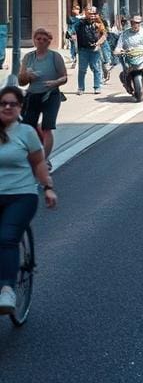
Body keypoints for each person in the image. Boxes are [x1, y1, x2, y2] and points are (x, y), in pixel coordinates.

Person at [0, 86, 56, 314]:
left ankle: (7, 290)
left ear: (20, 107)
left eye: (12, 103)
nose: (7, 107)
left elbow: (38, 164)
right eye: (3, 103)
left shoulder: (26, 133)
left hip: (21, 196)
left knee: (6, 237)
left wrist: (48, 187)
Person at [18, 28, 68, 165]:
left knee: (47, 127)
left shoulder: (55, 56)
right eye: (38, 39)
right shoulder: (28, 57)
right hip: (32, 95)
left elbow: (64, 77)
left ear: (49, 41)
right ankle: (32, 151)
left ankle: (43, 159)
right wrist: (27, 76)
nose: (40, 42)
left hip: (51, 95)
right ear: (34, 40)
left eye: (44, 39)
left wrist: (55, 82)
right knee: (27, 126)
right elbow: (21, 81)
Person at [74, 4, 106, 95]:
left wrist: (98, 43)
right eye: (90, 13)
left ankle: (97, 87)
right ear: (86, 13)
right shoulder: (80, 23)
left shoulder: (99, 24)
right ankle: (81, 88)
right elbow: (73, 31)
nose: (92, 15)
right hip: (83, 50)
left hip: (94, 50)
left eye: (94, 13)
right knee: (82, 70)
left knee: (96, 69)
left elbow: (104, 36)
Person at [65, 4, 82, 68]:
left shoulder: (81, 18)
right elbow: (69, 27)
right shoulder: (71, 18)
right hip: (73, 35)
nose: (76, 10)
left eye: (78, 9)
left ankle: (77, 60)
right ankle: (74, 59)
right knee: (73, 48)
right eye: (75, 9)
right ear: (72, 10)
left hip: (79, 35)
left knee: (78, 48)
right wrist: (70, 34)